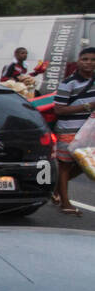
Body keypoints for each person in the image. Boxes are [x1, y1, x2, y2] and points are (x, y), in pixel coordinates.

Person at [53, 46, 95, 216]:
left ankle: (55, 189)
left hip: (88, 131)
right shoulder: (68, 83)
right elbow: (59, 110)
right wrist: (87, 106)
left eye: (93, 60)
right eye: (85, 59)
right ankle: (65, 203)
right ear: (78, 61)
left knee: (83, 165)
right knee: (65, 165)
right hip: (68, 129)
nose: (89, 63)